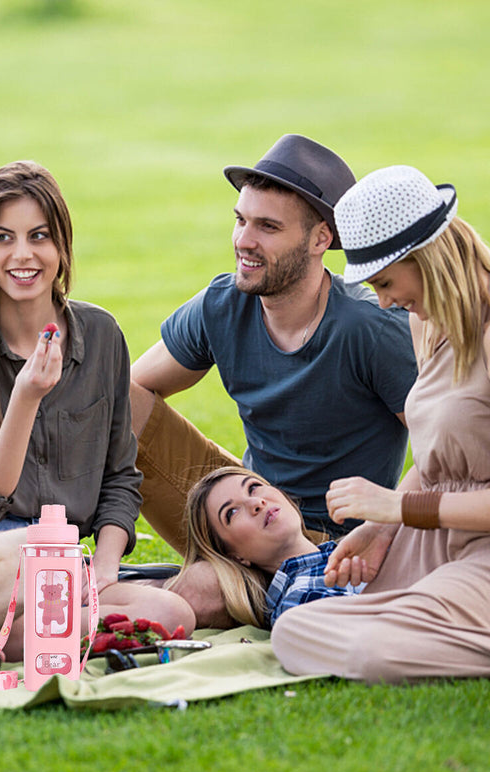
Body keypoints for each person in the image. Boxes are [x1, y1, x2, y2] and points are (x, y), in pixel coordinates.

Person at [130, 134, 418, 626]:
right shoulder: (223, 304)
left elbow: (446, 447)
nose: (244, 240)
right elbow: (132, 390)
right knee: (116, 400)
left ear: (320, 239)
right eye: (241, 220)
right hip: (244, 510)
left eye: (267, 227)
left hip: (335, 539)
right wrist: (109, 501)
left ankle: (117, 596)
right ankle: (69, 575)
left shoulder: (368, 329)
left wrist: (382, 523)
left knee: (191, 598)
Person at [0, 160, 194, 637]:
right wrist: (26, 397)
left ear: (62, 244)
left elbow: (120, 478)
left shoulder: (100, 335)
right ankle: (16, 627)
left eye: (39, 236)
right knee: (34, 558)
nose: (23, 254)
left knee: (172, 613)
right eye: (3, 238)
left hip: (56, 561)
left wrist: (103, 569)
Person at [272, 165, 490, 684]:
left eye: (387, 282)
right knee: (294, 629)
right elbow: (439, 460)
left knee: (373, 654)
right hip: (440, 535)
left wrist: (398, 506)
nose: (385, 301)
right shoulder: (426, 320)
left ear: (428, 258)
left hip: (474, 540)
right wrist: (381, 528)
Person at [167, 466, 360, 629]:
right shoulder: (299, 600)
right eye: (232, 512)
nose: (255, 503)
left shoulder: (357, 545)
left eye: (253, 487)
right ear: (235, 556)